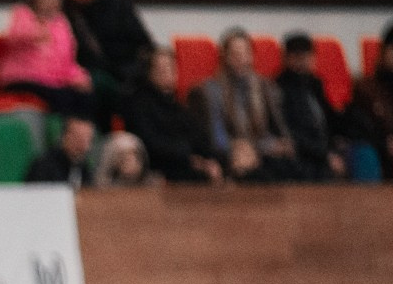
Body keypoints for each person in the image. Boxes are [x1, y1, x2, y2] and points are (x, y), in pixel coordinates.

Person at [190, 29, 300, 181]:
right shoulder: (211, 90)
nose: (241, 59)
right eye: (235, 54)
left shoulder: (264, 86)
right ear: (225, 57)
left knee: (291, 167)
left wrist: (263, 147)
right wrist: (239, 150)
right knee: (245, 170)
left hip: (263, 152)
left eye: (245, 53)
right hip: (231, 153)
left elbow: (278, 130)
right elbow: (217, 138)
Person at [0, 0, 96, 119]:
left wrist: (77, 77)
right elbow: (15, 36)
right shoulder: (23, 14)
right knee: (61, 97)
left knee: (85, 95)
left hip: (51, 81)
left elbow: (66, 59)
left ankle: (82, 137)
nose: (52, 0)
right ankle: (61, 137)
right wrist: (36, 31)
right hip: (22, 78)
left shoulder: (60, 22)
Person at [121, 46, 221, 183]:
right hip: (160, 167)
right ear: (149, 73)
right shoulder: (139, 103)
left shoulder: (179, 105)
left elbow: (199, 137)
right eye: (160, 68)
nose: (166, 72)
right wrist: (188, 158)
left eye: (170, 67)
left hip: (187, 163)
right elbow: (149, 142)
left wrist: (209, 160)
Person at [63, 0, 152, 107]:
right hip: (89, 75)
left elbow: (144, 42)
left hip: (126, 73)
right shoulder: (63, 11)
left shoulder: (118, 4)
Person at [277, 33, 346, 180]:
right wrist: (325, 154)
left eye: (307, 56)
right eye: (298, 57)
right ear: (288, 59)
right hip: (305, 152)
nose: (303, 62)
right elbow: (289, 130)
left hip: (325, 148)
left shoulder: (315, 84)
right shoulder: (280, 87)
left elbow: (328, 121)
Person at [347, 27, 393, 182]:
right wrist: (384, 142)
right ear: (383, 52)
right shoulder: (365, 88)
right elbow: (357, 127)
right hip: (377, 149)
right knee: (363, 153)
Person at [25, 115, 95, 187]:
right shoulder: (44, 166)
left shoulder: (85, 169)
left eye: (88, 140)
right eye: (78, 139)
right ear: (64, 137)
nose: (83, 146)